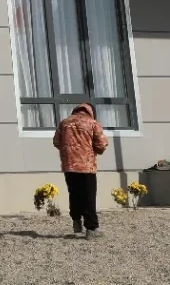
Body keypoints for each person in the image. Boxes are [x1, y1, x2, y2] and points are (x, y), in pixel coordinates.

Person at [52, 102, 109, 238]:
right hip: (86, 166)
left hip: (69, 165)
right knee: (88, 196)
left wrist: (68, 151)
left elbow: (56, 142)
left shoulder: (64, 123)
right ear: (91, 112)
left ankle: (76, 223)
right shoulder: (93, 123)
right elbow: (101, 144)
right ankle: (91, 228)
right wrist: (93, 150)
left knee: (74, 194)